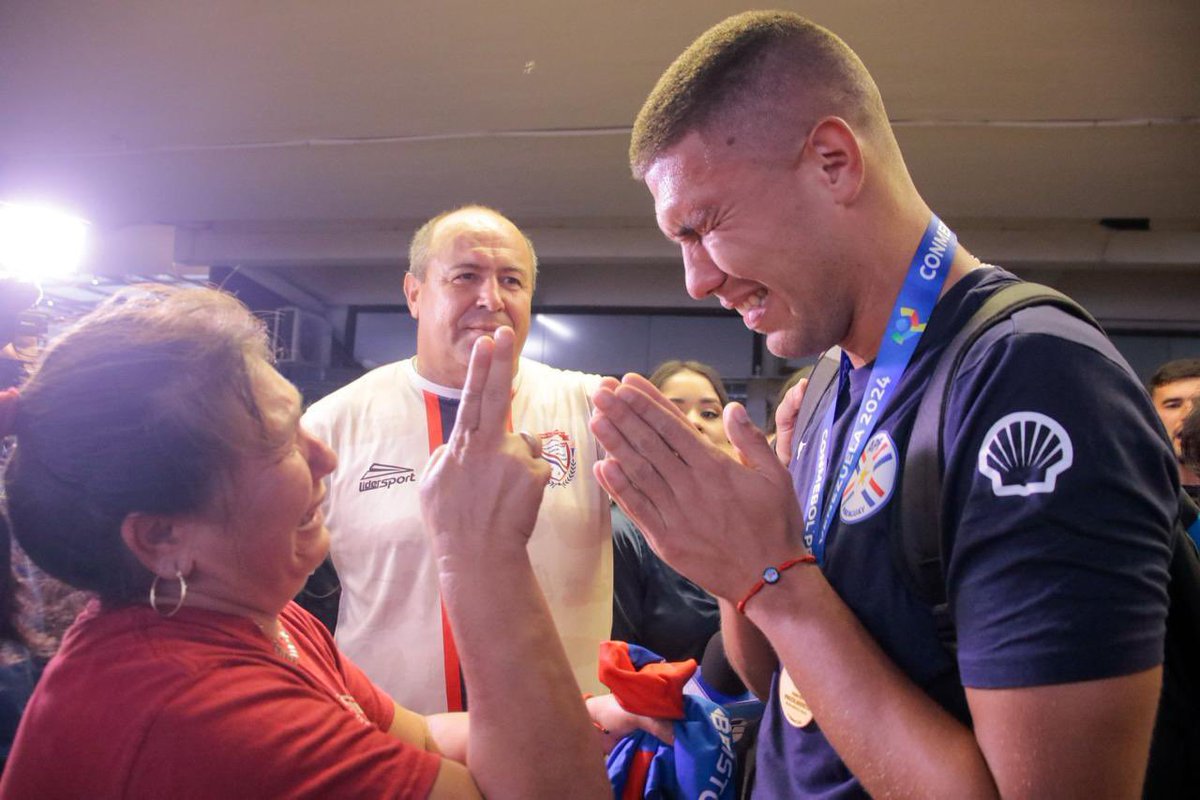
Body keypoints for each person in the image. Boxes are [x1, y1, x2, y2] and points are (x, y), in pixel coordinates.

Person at [590, 11, 1176, 798]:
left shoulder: (1031, 377)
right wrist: (731, 561)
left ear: (833, 162)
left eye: (704, 225)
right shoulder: (834, 382)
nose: (695, 280)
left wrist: (774, 581)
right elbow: (784, 687)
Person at [0, 285, 651, 798]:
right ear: (163, 537)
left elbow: (426, 736)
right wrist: (479, 551)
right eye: (283, 442)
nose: (325, 459)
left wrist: (590, 718)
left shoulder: (264, 620)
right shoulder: (200, 713)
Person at [303, 205, 612, 712]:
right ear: (414, 294)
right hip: (393, 750)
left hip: (563, 746)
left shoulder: (591, 408)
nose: (490, 299)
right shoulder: (332, 425)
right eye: (465, 276)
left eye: (511, 281)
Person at [611, 360, 728, 663]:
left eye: (710, 413)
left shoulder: (745, 525)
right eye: (673, 411)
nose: (694, 422)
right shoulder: (622, 535)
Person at [1148, 358, 1200, 502]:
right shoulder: (1137, 500)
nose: (1188, 415)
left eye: (1198, 404)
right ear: (1149, 416)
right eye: (1173, 405)